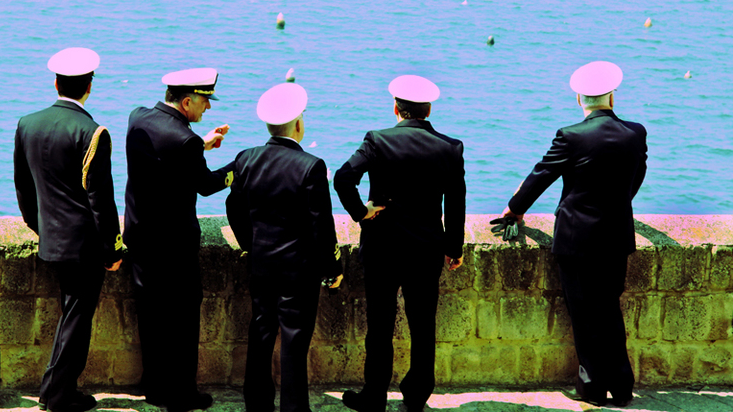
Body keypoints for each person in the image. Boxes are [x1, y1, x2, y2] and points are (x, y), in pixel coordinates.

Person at [497, 61, 647, 408]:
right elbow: (636, 177)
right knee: (610, 309)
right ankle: (623, 386)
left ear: (580, 98)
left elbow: (542, 175)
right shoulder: (636, 132)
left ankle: (592, 386)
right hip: (616, 235)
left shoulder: (571, 135)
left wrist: (515, 208)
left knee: (583, 313)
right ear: (612, 96)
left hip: (576, 239)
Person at [334, 75, 466, 412]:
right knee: (423, 325)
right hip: (426, 249)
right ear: (429, 110)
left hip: (382, 248)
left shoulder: (377, 140)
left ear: (396, 108)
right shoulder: (450, 147)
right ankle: (417, 395)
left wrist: (361, 213)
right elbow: (455, 203)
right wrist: (454, 248)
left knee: (379, 326)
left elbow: (343, 177)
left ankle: (374, 395)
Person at [14, 47, 123, 412]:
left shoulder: (27, 123)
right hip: (83, 247)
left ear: (56, 82)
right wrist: (112, 250)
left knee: (71, 316)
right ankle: (57, 394)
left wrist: (38, 227)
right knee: (77, 320)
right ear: (88, 86)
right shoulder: (92, 133)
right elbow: (101, 201)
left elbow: (24, 188)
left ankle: (56, 390)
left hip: (52, 240)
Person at [225, 83, 343, 412]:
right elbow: (322, 226)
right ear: (299, 125)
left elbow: (233, 207)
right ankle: (294, 408)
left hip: (261, 263)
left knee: (260, 331)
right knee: (294, 339)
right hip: (298, 270)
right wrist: (332, 269)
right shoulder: (311, 166)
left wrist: (249, 243)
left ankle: (257, 404)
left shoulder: (246, 159)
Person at [124, 67, 235, 412]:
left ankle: (153, 386)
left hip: (140, 236)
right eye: (205, 101)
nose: (209, 109)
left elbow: (166, 153)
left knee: (151, 316)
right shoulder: (185, 141)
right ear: (187, 101)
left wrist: (201, 145)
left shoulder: (138, 117)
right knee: (183, 320)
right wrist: (240, 167)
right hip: (174, 246)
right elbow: (205, 184)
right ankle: (183, 394)